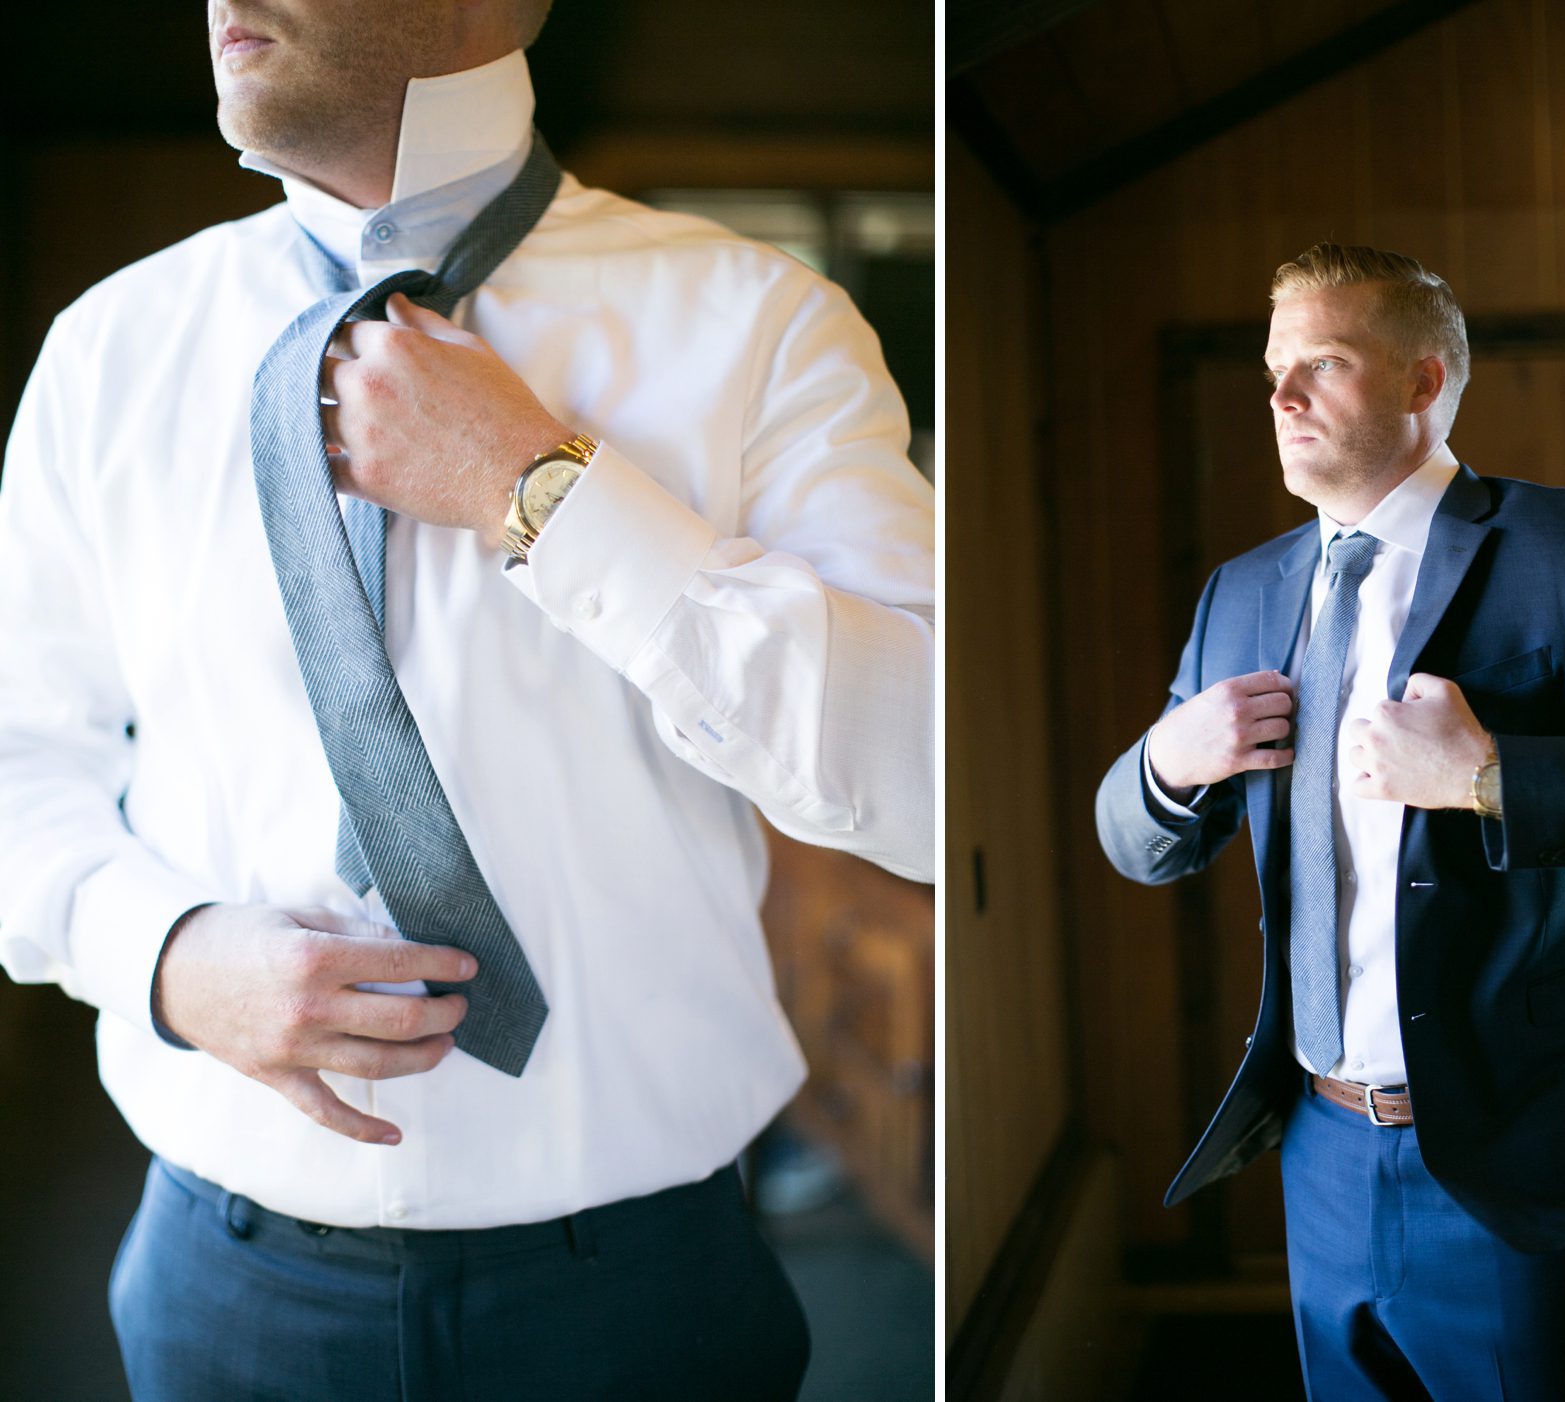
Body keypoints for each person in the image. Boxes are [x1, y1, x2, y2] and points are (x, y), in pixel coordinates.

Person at [0, 2, 932, 1398]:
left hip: (639, 1306)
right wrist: (166, 955)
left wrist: (539, 490)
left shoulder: (765, 329)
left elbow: (922, 771)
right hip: (220, 1285)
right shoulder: (109, 351)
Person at [1094, 242, 1565, 1399]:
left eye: (1318, 364)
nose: (1278, 398)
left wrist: (1487, 776)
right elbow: (1133, 837)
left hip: (1513, 1149)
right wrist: (1167, 762)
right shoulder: (1242, 592)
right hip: (1316, 1149)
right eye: (1272, 368)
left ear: (1423, 382)